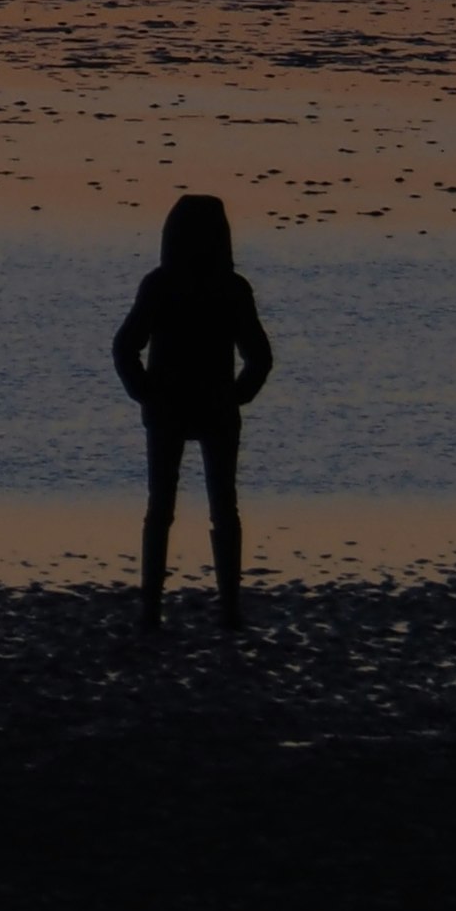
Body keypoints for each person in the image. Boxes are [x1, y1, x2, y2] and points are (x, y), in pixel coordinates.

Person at [113, 194, 272, 630]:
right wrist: (237, 395)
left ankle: (152, 610)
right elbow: (260, 358)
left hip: (174, 408)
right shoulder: (230, 288)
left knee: (162, 507)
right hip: (208, 407)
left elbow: (125, 348)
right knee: (223, 507)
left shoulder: (162, 284)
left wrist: (146, 394)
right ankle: (228, 610)